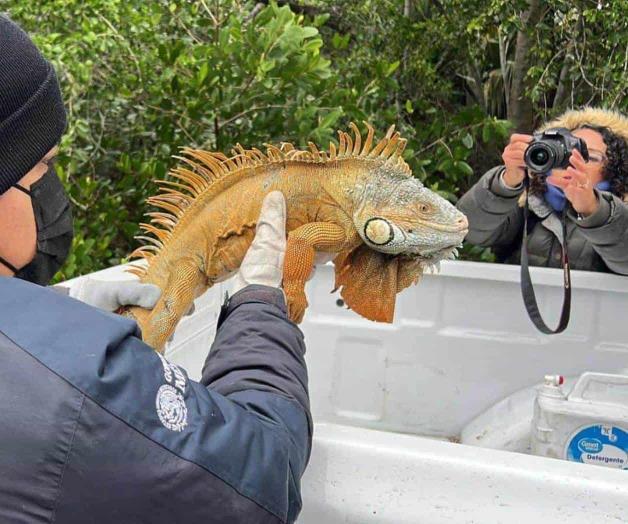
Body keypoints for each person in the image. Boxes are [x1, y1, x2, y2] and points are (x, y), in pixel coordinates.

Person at [0, 15, 311, 524]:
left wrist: (54, 307)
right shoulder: (77, 386)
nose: (55, 191)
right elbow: (260, 476)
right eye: (45, 166)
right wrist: (258, 306)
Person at [457, 107, 628, 274]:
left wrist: (594, 210)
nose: (572, 161)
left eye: (589, 157)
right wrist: (506, 183)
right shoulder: (527, 205)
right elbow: (469, 231)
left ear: (616, 167)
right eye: (566, 151)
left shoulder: (619, 214)